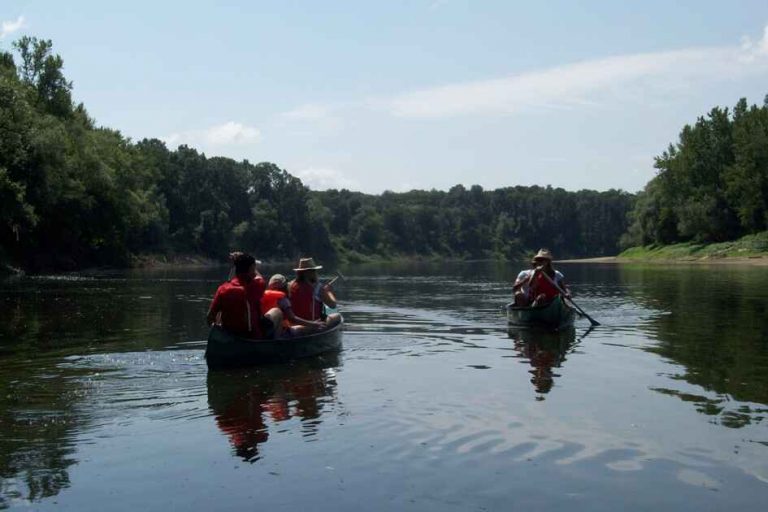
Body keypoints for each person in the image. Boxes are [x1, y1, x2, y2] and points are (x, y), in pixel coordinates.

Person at [206, 252, 282, 338]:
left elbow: (210, 317)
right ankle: (273, 345)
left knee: (219, 318)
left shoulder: (223, 289)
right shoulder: (256, 286)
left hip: (230, 335)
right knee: (277, 312)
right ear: (251, 269)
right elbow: (259, 278)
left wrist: (237, 262)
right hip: (253, 336)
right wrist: (243, 259)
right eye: (254, 268)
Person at [288, 257, 342, 329]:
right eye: (314, 271)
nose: (315, 273)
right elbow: (333, 305)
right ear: (309, 272)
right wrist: (328, 292)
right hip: (312, 325)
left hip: (292, 324)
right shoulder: (318, 288)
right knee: (337, 316)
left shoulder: (289, 285)